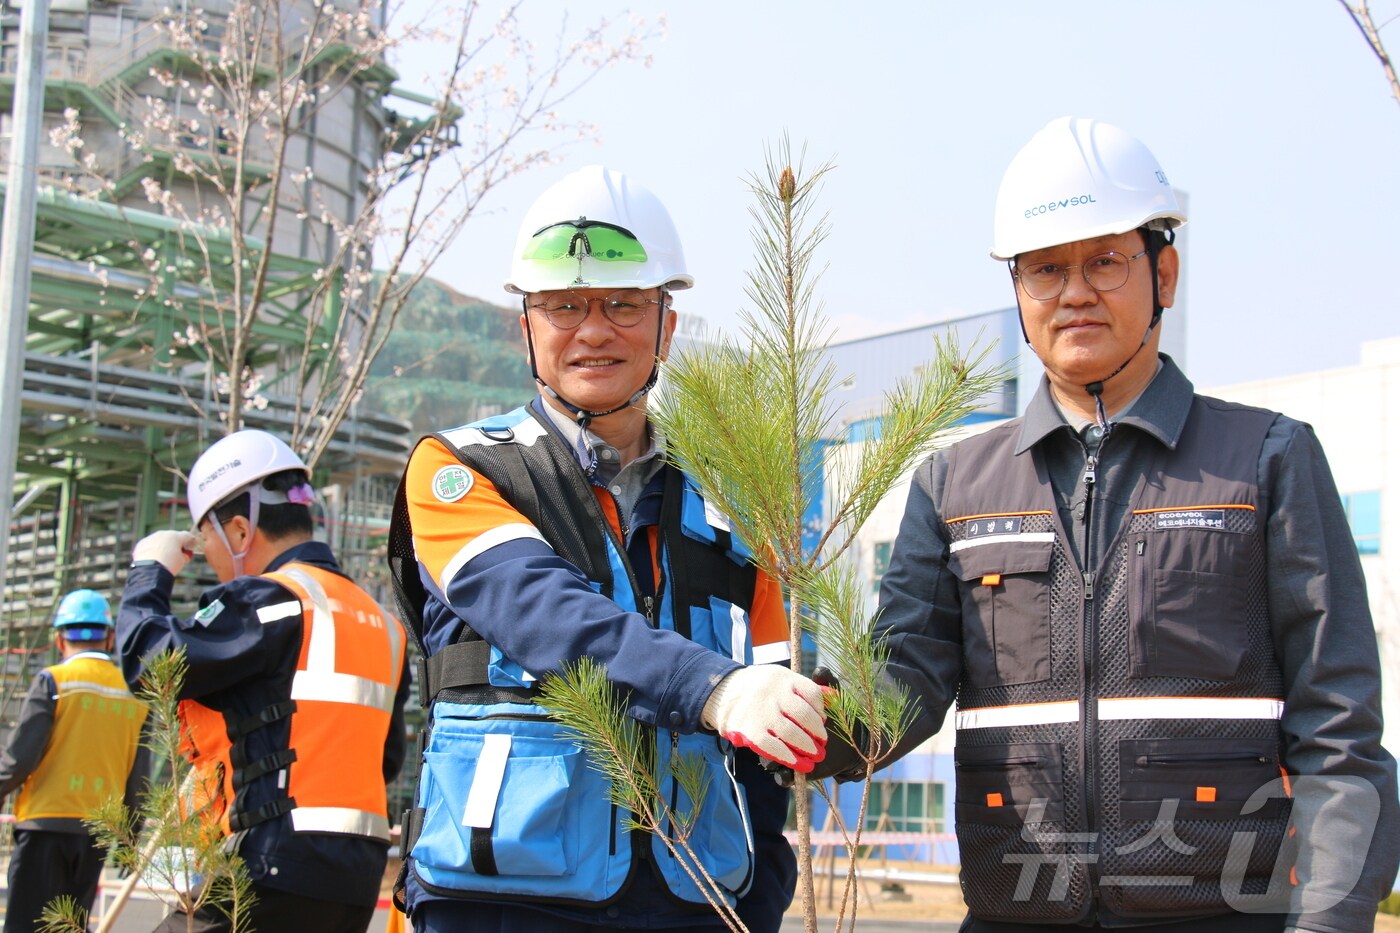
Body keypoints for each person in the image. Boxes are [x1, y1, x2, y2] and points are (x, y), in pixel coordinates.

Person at [813, 117, 1400, 932]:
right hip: (1015, 913)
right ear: (1018, 291)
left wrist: (1333, 918)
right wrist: (801, 719)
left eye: (1105, 262)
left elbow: (1339, 731)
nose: (1075, 291)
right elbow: (902, 684)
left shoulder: (1266, 460)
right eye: (1046, 270)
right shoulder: (953, 485)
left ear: (1165, 272)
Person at [387, 165, 828, 933]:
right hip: (500, 897)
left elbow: (770, 713)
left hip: (696, 896)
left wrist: (759, 897)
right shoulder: (461, 469)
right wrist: (714, 689)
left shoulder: (728, 507)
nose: (594, 330)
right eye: (563, 306)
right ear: (525, 326)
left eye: (624, 304)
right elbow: (541, 611)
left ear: (668, 324)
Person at [117, 429, 410, 933]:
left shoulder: (270, 601)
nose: (207, 554)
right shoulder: (382, 625)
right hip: (354, 879)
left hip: (269, 863)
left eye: (204, 539)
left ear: (237, 532)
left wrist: (149, 572)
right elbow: (384, 759)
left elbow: (150, 664)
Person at [0, 589, 149, 933]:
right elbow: (138, 776)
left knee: (25, 926)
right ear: (110, 637)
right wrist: (130, 838)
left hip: (45, 825)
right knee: (68, 927)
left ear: (58, 638)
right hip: (96, 833)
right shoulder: (134, 692)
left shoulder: (54, 681)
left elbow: (20, 758)